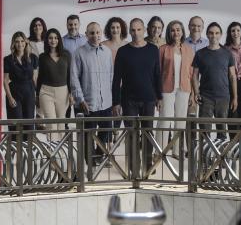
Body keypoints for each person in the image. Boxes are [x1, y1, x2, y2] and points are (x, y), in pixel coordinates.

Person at [112, 18, 162, 177]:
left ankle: (148, 166)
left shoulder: (153, 50)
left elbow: (157, 75)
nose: (136, 33)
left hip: (149, 98)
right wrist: (116, 102)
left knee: (148, 133)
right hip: (129, 100)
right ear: (129, 31)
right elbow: (116, 79)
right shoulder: (123, 51)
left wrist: (159, 96)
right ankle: (134, 168)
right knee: (132, 134)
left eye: (138, 30)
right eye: (133, 30)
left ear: (144, 30)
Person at [71, 22, 115, 164]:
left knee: (105, 133)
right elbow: (74, 77)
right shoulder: (79, 52)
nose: (95, 36)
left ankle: (97, 156)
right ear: (86, 34)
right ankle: (90, 167)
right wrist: (80, 99)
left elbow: (111, 76)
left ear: (101, 33)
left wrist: (111, 97)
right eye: (91, 33)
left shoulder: (107, 52)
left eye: (97, 32)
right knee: (87, 137)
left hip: (106, 103)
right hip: (88, 103)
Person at [191, 22, 237, 138]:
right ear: (207, 34)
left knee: (222, 132)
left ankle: (220, 156)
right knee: (204, 131)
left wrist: (235, 97)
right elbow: (194, 75)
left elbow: (232, 76)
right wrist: (196, 92)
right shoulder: (200, 54)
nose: (214, 35)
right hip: (205, 97)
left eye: (216, 33)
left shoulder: (227, 53)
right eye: (211, 33)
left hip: (223, 97)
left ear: (220, 35)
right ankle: (205, 156)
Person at [159, 20, 195, 141]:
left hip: (184, 88)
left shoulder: (189, 50)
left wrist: (193, 94)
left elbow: (192, 72)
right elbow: (158, 72)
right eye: (173, 30)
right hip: (166, 89)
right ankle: (160, 150)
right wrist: (157, 95)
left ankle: (177, 150)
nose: (176, 32)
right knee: (165, 120)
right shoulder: (163, 49)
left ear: (182, 31)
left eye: (178, 29)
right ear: (169, 32)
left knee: (180, 122)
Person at [38, 28, 72, 125]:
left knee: (61, 123)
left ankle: (59, 141)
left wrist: (71, 93)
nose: (53, 40)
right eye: (50, 38)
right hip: (46, 91)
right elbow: (40, 77)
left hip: (63, 91)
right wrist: (37, 95)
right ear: (46, 40)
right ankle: (52, 141)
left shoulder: (66, 55)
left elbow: (69, 75)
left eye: (56, 38)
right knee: (51, 123)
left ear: (59, 40)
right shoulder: (42, 57)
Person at [3, 31, 38, 126]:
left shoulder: (33, 58)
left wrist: (38, 95)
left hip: (29, 93)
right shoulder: (8, 59)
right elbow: (5, 80)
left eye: (22, 41)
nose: (20, 44)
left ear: (26, 42)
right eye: (17, 41)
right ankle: (15, 141)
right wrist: (10, 98)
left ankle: (28, 142)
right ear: (13, 43)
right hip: (14, 94)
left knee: (29, 124)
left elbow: (35, 78)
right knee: (16, 125)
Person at [224, 21, 241, 118]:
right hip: (230, 82)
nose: (235, 33)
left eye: (238, 30)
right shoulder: (225, 49)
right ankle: (233, 133)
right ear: (230, 33)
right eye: (233, 31)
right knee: (233, 111)